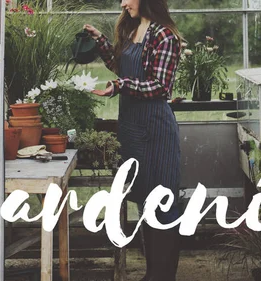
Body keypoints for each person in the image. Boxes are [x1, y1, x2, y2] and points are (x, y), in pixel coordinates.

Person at [84, 0, 183, 280]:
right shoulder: (132, 31)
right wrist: (101, 42)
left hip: (155, 129)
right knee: (143, 201)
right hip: (132, 127)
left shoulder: (163, 35)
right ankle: (153, 274)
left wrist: (120, 86)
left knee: (162, 203)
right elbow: (122, 67)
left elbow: (160, 86)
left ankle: (163, 276)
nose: (123, 3)